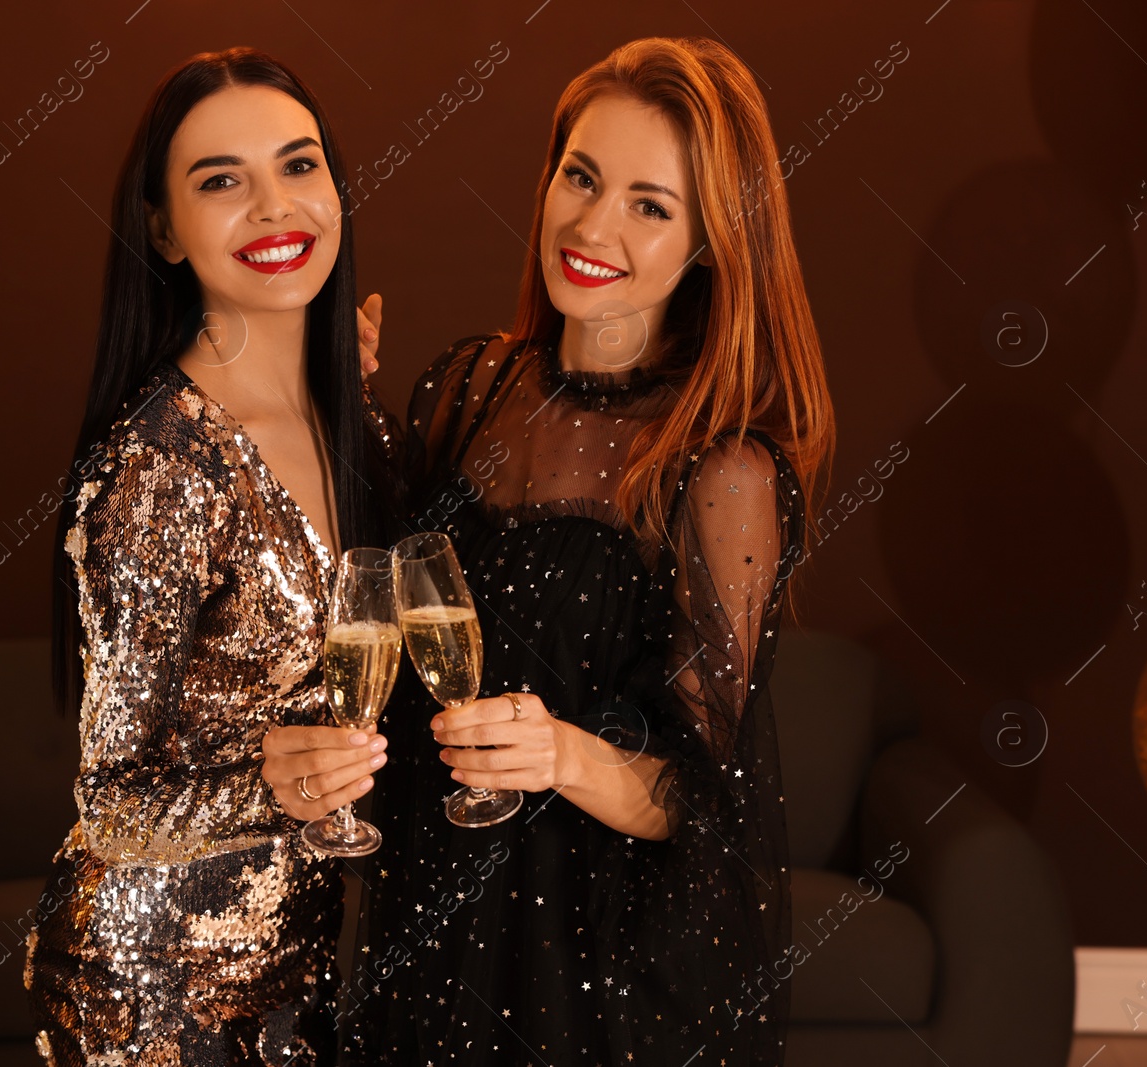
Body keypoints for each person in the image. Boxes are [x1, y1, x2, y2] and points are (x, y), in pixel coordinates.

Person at [344, 37, 836, 1066]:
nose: (592, 224)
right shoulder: (468, 389)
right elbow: (366, 605)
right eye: (580, 176)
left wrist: (562, 750)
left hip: (589, 965)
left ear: (706, 244)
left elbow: (700, 800)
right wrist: (332, 406)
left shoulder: (723, 471)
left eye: (649, 205)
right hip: (429, 920)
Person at [25, 47, 394, 1066]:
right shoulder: (158, 468)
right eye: (221, 181)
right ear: (163, 231)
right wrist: (268, 784)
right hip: (154, 989)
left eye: (299, 165)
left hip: (304, 963)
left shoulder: (352, 418)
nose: (275, 207)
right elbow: (111, 799)